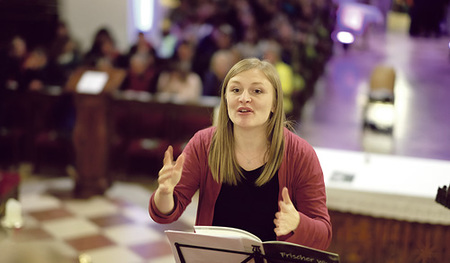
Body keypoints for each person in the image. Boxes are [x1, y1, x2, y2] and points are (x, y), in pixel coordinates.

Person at [149, 58, 332, 250]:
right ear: (226, 98)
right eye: (235, 90)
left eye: (257, 91)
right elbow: (164, 214)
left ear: (275, 104)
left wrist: (297, 223)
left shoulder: (300, 154)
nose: (244, 98)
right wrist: (164, 193)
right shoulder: (204, 144)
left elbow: (323, 235)